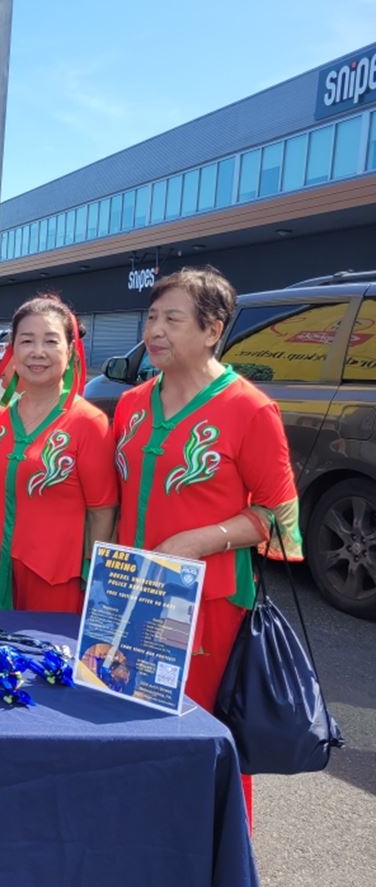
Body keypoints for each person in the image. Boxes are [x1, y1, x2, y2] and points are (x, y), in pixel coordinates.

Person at [114, 265, 300, 823]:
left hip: (210, 603)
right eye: (151, 317)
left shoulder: (250, 409)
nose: (155, 331)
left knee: (205, 730)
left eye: (173, 319)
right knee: (130, 721)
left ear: (213, 329)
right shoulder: (132, 404)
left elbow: (277, 514)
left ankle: (219, 851)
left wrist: (198, 540)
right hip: (129, 589)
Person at [0, 294, 118, 612]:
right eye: (26, 341)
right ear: (12, 351)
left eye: (50, 341)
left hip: (59, 584)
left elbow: (102, 513)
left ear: (70, 351)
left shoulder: (89, 423)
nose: (37, 352)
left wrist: (94, 582)